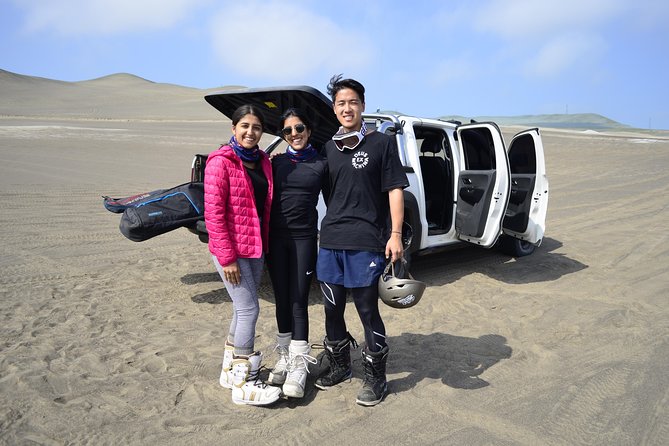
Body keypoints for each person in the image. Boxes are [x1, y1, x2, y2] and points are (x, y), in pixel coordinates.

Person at [314, 75, 409, 406]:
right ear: (334, 109)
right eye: (341, 103)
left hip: (368, 240)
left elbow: (395, 188)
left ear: (363, 106)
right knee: (331, 308)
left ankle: (376, 377)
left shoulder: (381, 144)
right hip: (330, 241)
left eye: (353, 101)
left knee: (367, 310)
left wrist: (395, 235)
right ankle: (340, 366)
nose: (347, 107)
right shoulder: (328, 148)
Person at [204, 104, 281, 406]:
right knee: (249, 310)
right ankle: (245, 381)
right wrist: (226, 257)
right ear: (233, 128)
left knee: (241, 309)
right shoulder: (220, 163)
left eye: (257, 127)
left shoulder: (262, 161)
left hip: (255, 248)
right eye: (245, 126)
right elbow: (214, 215)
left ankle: (229, 370)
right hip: (232, 252)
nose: (251, 132)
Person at [265, 108, 329, 398]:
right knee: (281, 298)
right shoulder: (275, 164)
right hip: (276, 239)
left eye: (299, 128)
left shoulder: (321, 164)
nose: (294, 134)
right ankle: (285, 357)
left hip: (303, 239)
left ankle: (299, 364)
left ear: (309, 130)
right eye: (287, 131)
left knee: (299, 299)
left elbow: (338, 199)